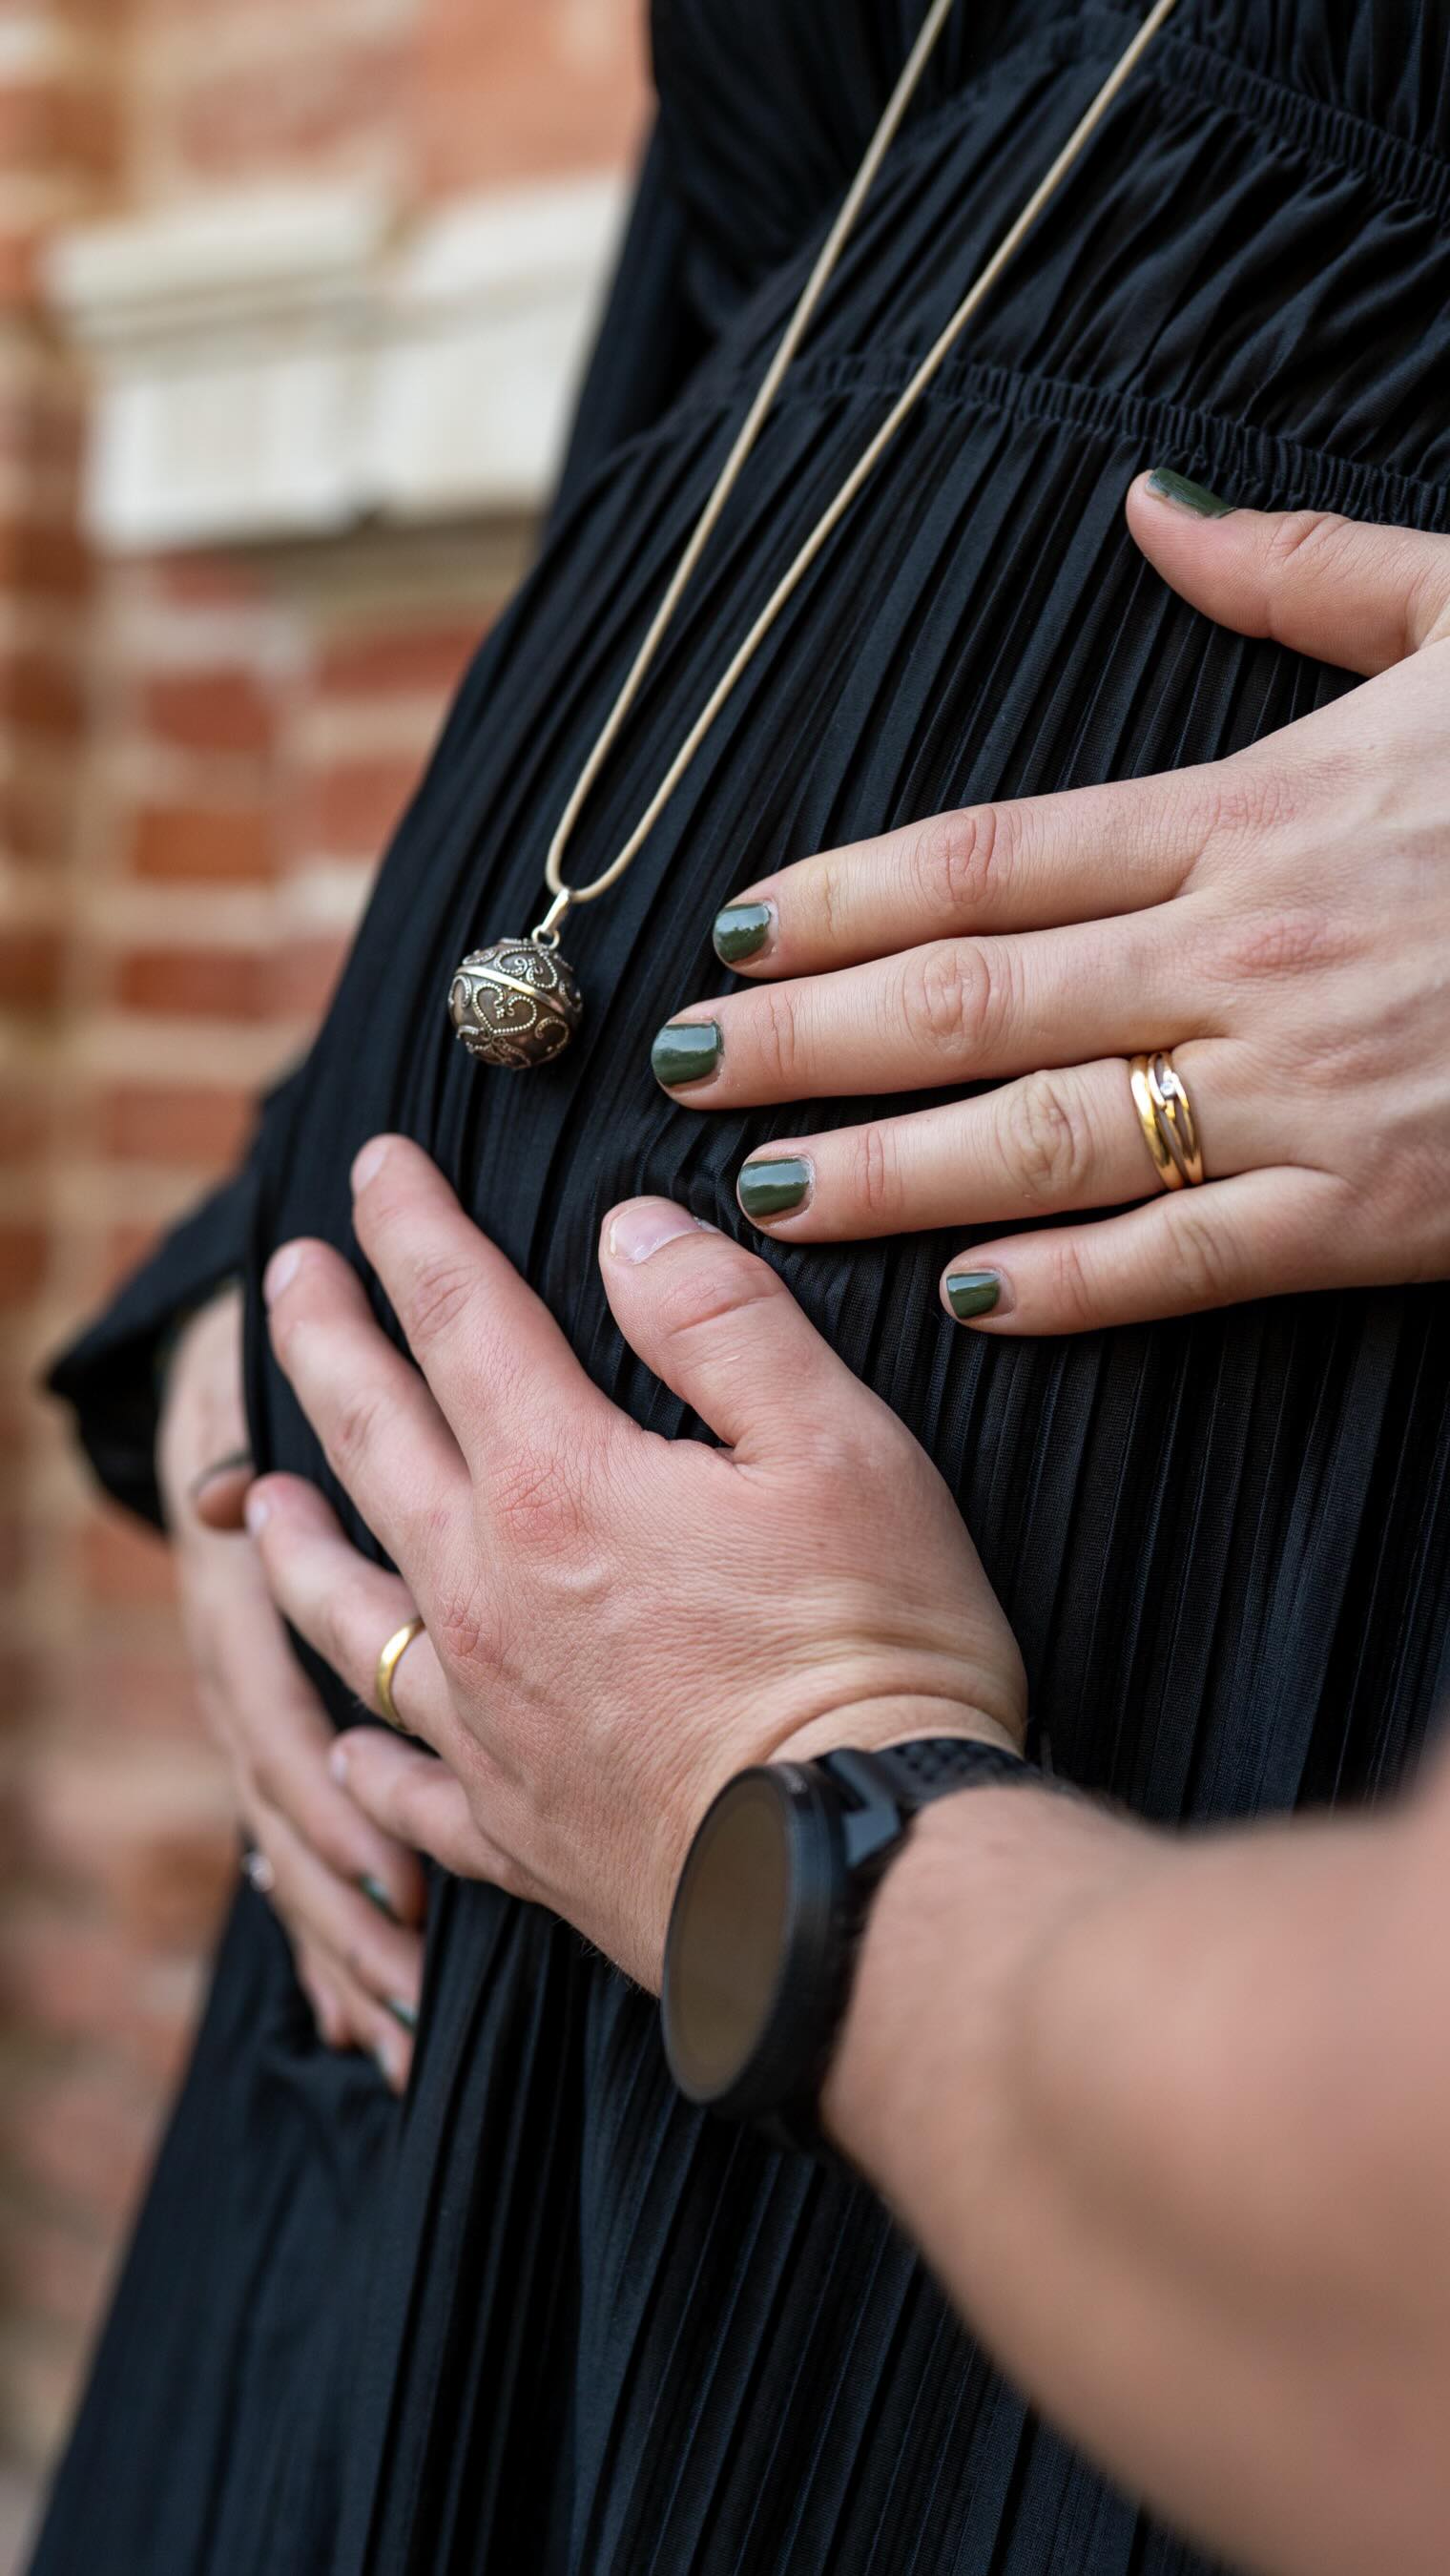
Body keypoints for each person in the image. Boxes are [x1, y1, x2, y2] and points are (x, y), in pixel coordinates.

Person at [35, 2, 1450, 2570]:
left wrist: (812, 1814)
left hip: (1128, 1736)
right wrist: (291, 1249)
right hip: (484, 1731)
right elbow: (691, 424)